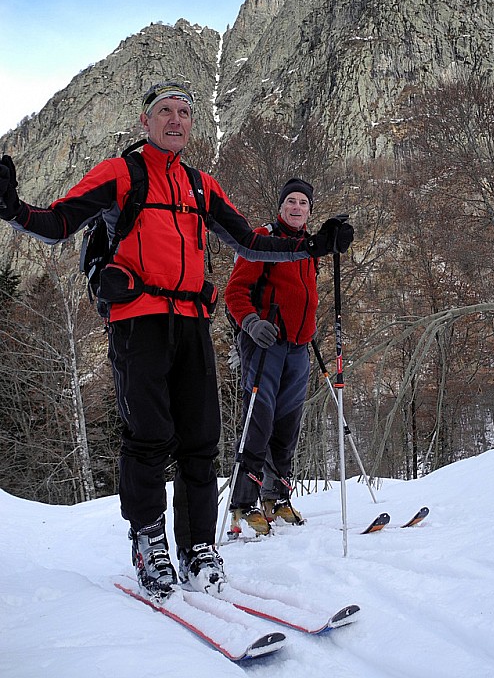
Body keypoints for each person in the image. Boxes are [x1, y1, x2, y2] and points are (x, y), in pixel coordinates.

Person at [0, 81, 353, 601]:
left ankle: (197, 546)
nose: (175, 120)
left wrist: (313, 247)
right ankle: (149, 543)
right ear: (145, 122)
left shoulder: (200, 185)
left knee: (200, 438)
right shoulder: (120, 174)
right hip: (138, 320)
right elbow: (59, 222)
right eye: (164, 111)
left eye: (184, 112)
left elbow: (249, 241)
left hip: (191, 321)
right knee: (148, 436)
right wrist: (12, 207)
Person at [224, 178, 332, 536]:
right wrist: (252, 323)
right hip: (265, 345)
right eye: (291, 201)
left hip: (299, 347)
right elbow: (235, 292)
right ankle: (244, 504)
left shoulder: (309, 247)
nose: (296, 207)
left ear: (310, 210)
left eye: (303, 202)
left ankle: (277, 497)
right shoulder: (262, 239)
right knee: (259, 421)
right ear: (281, 206)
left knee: (287, 424)